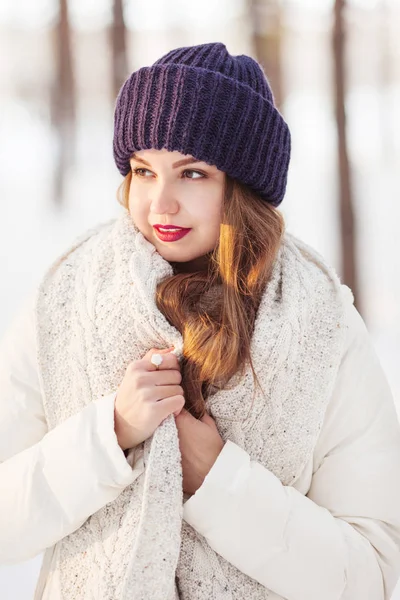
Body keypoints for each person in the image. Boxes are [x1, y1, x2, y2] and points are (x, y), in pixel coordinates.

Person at [1, 42, 400, 600]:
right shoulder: (67, 299)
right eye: (144, 171)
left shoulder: (321, 325)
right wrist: (110, 433)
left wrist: (219, 479)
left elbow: (375, 575)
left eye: (191, 174)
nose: (160, 204)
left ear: (241, 187)